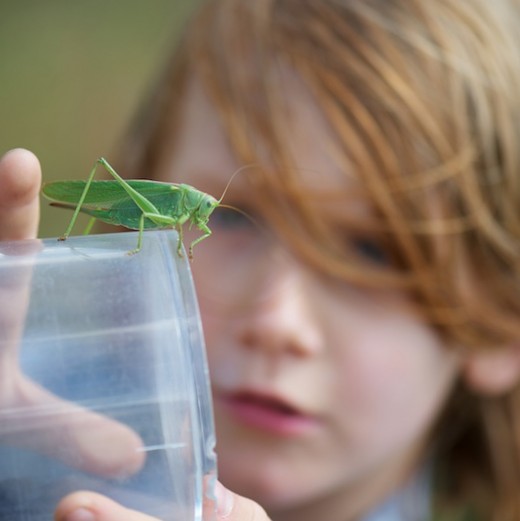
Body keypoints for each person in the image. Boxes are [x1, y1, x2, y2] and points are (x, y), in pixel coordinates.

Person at [2, 0, 520, 519]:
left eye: (372, 250)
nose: (277, 321)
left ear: (500, 316)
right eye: (231, 219)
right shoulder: (22, 415)